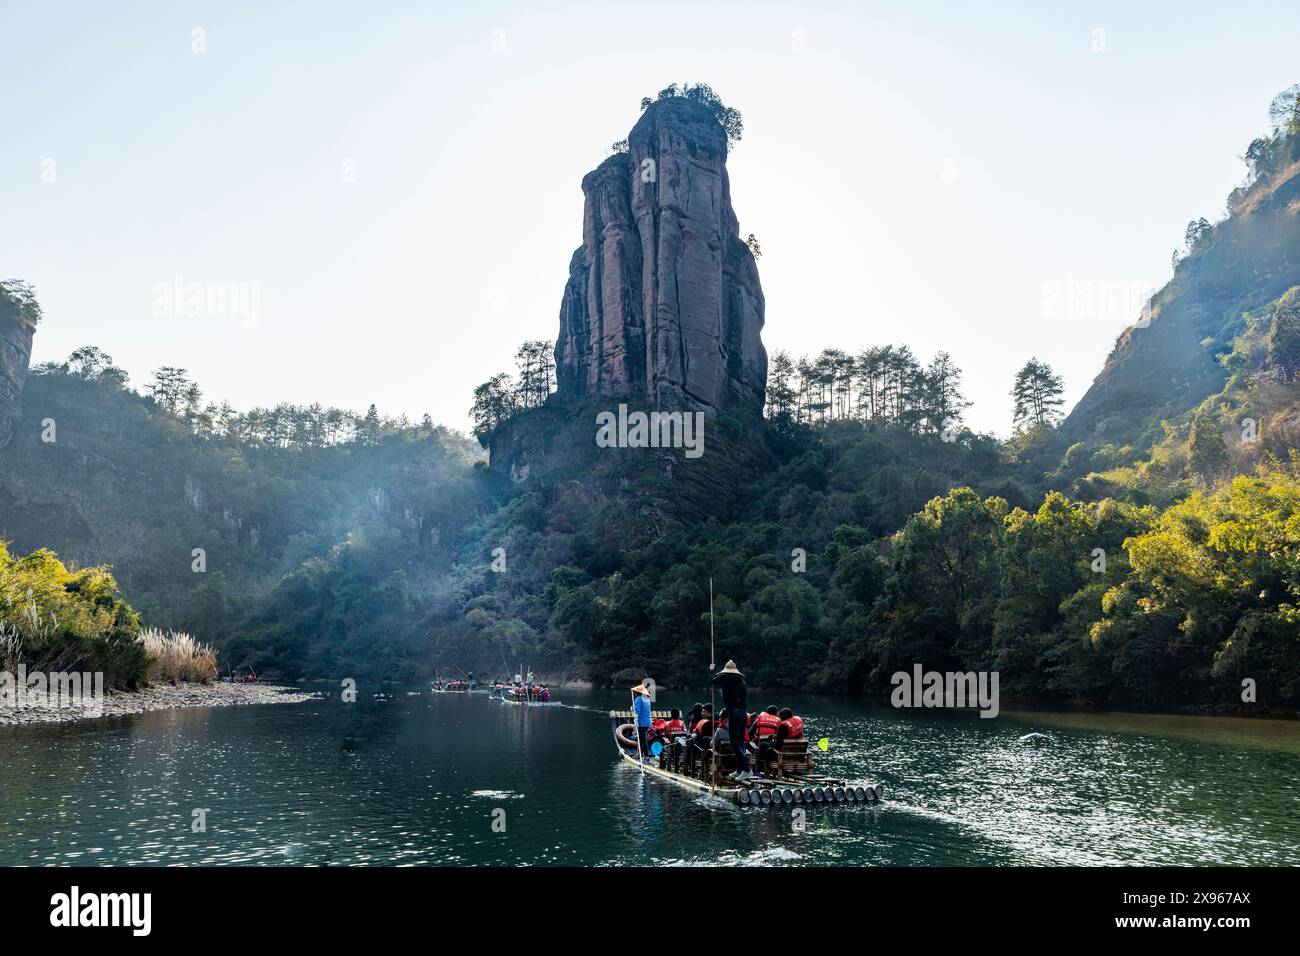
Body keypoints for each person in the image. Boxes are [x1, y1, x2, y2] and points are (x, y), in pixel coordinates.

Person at [710, 660, 752, 780]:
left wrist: (712, 670)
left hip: (734, 713)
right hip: (744, 713)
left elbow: (712, 680)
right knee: (740, 742)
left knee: (734, 743)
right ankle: (739, 770)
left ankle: (747, 770)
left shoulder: (725, 680)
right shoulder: (742, 682)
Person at [632, 683, 653, 761]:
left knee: (642, 739)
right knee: (642, 738)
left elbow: (637, 710)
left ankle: (646, 755)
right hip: (647, 722)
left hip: (641, 722)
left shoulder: (639, 699)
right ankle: (640, 754)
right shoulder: (647, 699)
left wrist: (634, 713)